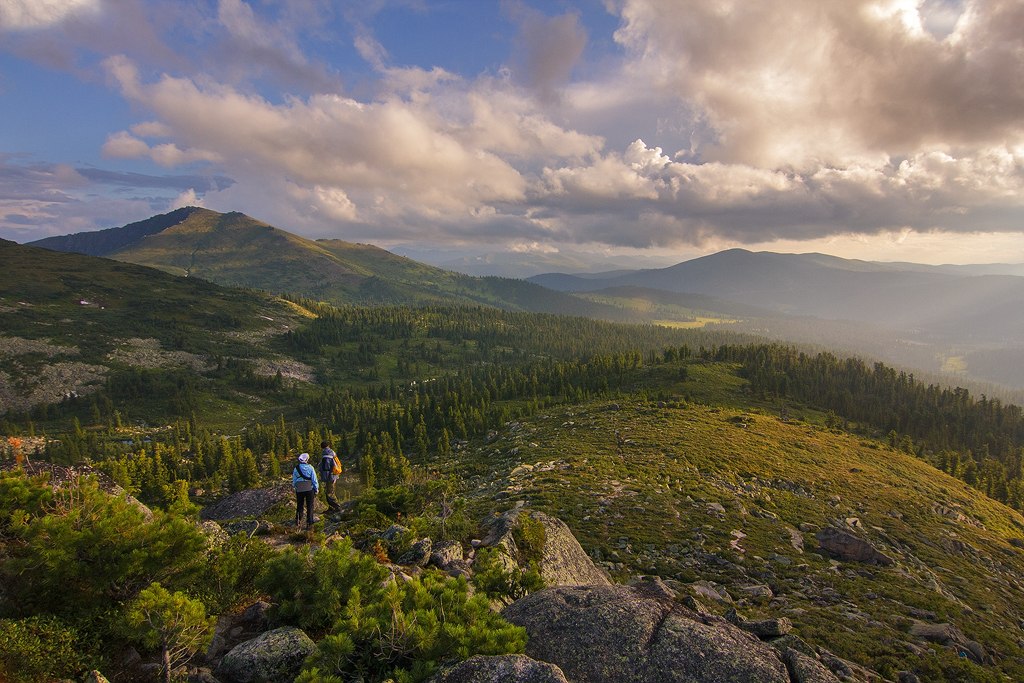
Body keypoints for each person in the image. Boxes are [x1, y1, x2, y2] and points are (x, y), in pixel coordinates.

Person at [292, 452, 318, 529]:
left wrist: (295, 487)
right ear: (307, 460)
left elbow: (294, 480)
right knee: (310, 505)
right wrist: (316, 488)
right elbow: (314, 479)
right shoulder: (310, 468)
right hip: (309, 487)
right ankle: (309, 522)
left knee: (300, 505)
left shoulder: (296, 468)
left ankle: (298, 520)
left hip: (299, 488)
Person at [318, 441, 343, 512]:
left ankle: (337, 507)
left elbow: (326, 467)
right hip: (334, 475)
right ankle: (332, 507)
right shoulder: (332, 452)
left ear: (322, 447)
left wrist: (323, 478)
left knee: (330, 492)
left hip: (330, 476)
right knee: (329, 491)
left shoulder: (326, 455)